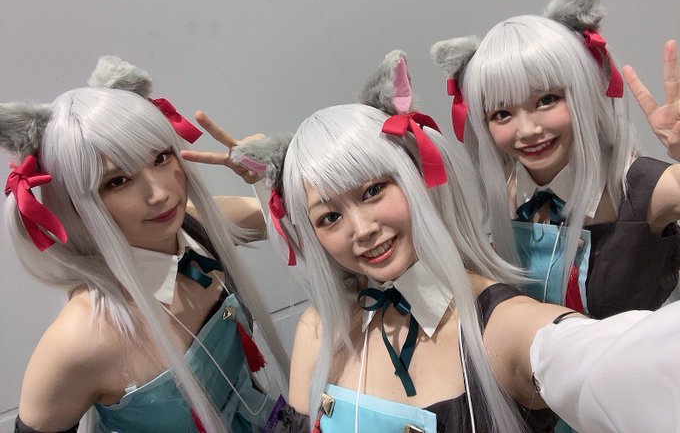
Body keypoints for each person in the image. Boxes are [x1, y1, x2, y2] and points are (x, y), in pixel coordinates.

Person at [231, 50, 680, 433]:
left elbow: (611, 363)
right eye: (330, 217)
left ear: (416, 178)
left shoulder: (501, 326)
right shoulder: (319, 328)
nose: (362, 228)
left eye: (373, 191)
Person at [2, 56, 289, 433]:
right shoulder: (77, 340)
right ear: (75, 204)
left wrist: (273, 174)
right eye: (117, 181)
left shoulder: (197, 228)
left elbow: (316, 225)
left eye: (160, 157)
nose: (160, 193)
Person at [431, 0, 680, 319]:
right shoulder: (507, 193)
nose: (528, 129)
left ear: (581, 93)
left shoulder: (642, 187)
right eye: (502, 114)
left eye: (546, 100)